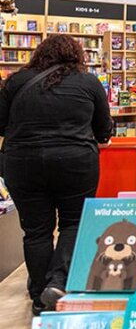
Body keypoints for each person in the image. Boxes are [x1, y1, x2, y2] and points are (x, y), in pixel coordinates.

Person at [0, 35, 112, 315]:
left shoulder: (16, 81)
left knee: (35, 229)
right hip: (75, 162)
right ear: (77, 55)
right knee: (73, 223)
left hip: (22, 161)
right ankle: (57, 281)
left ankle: (39, 295)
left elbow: (1, 125)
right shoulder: (89, 83)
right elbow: (104, 131)